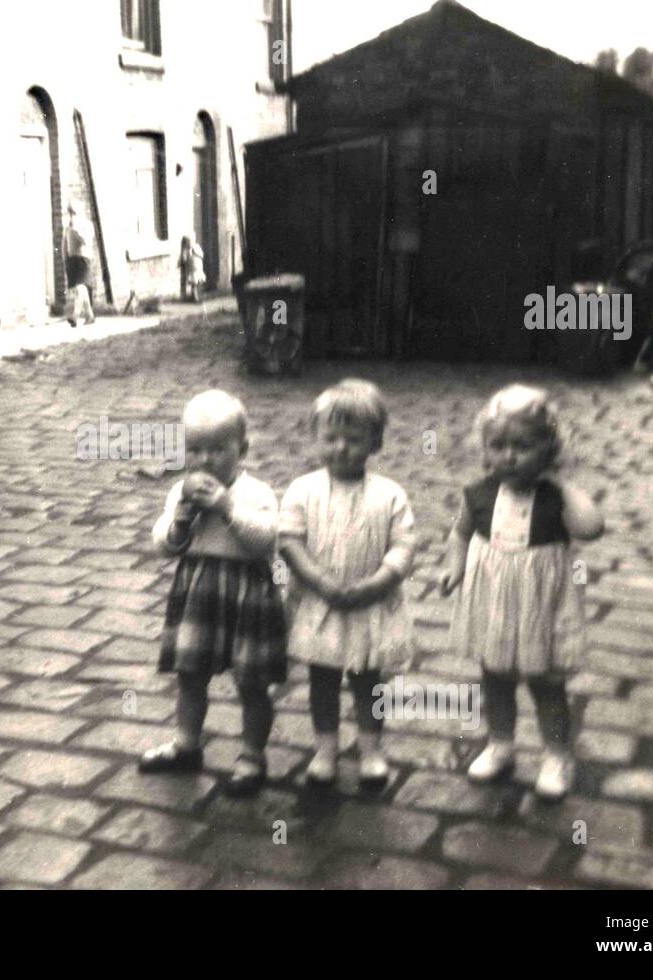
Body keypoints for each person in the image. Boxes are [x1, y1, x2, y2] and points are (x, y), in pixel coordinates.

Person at [440, 385, 605, 800]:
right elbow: (459, 534)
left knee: (546, 683)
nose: (508, 457)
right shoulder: (478, 494)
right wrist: (455, 567)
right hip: (494, 602)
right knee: (494, 678)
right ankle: (501, 743)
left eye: (523, 446)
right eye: (497, 446)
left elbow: (591, 527)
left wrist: (561, 483)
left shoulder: (554, 497)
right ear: (484, 449)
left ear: (548, 450)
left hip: (540, 605)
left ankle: (556, 754)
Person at [140, 390, 287, 797]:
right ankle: (187, 744)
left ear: (242, 449)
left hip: (247, 592)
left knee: (251, 680)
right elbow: (163, 545)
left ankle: (252, 755)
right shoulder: (180, 492)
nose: (205, 461)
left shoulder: (255, 493)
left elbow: (265, 542)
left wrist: (227, 509)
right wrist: (179, 526)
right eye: (195, 450)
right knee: (190, 674)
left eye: (218, 450)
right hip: (199, 589)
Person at [278, 380, 416, 788]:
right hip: (320, 602)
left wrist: (381, 580)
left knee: (367, 680)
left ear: (375, 443)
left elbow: (404, 544)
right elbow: (288, 539)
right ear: (315, 439)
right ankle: (325, 748)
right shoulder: (304, 490)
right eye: (331, 438)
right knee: (322, 678)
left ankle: (371, 749)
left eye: (354, 439)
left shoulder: (389, 495)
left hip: (370, 602)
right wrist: (317, 579)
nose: (341, 448)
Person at [64, 202, 97, 327]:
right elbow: (64, 243)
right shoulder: (68, 226)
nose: (72, 216)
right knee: (80, 288)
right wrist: (65, 258)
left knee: (80, 287)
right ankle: (90, 316)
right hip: (72, 259)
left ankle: (75, 315)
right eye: (70, 213)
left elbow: (85, 241)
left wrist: (75, 229)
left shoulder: (87, 225)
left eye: (74, 213)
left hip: (84, 258)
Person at [178, 234, 206, 303]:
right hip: (196, 268)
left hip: (195, 268)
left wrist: (181, 262)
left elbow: (184, 259)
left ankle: (196, 297)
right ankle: (196, 296)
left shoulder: (191, 249)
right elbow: (201, 255)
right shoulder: (193, 248)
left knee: (195, 284)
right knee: (196, 284)